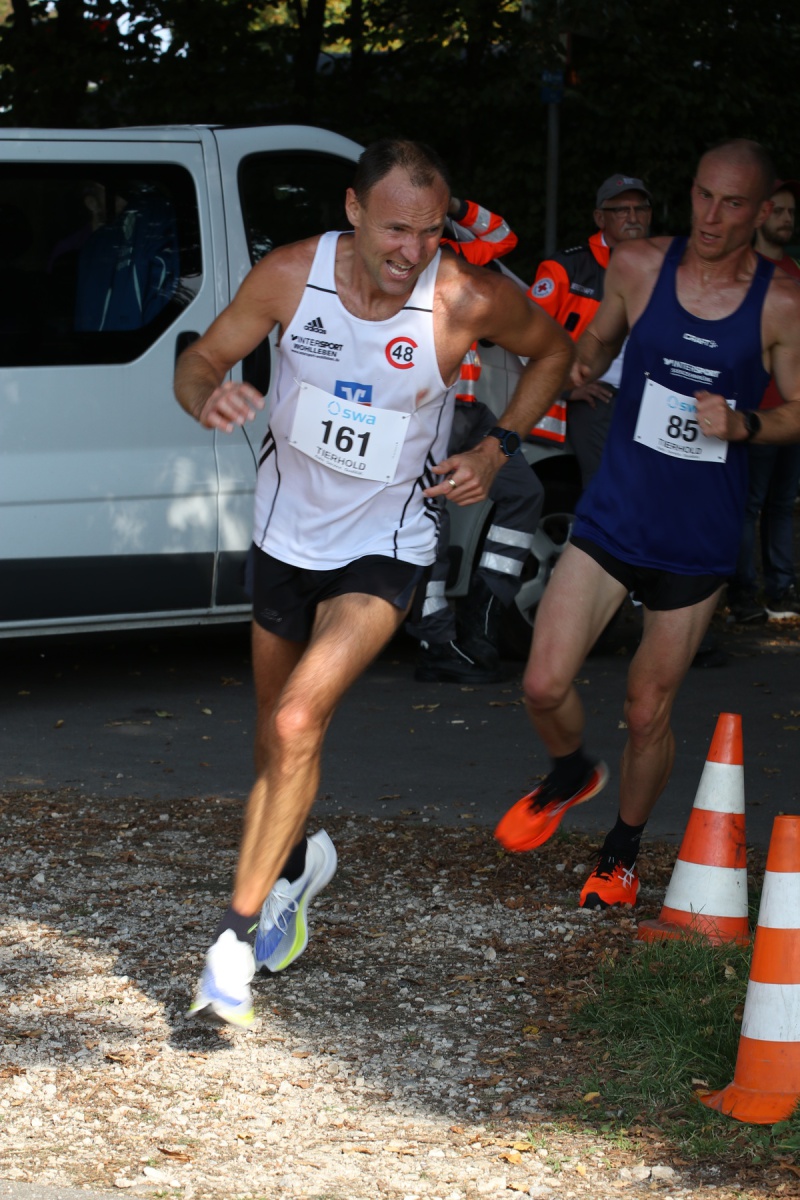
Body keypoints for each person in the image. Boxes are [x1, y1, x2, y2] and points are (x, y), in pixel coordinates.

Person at [174, 137, 573, 1026]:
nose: (412, 250)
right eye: (395, 229)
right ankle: (295, 871)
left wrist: (496, 445)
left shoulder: (463, 297)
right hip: (284, 536)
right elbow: (200, 359)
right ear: (353, 210)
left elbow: (553, 351)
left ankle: (230, 948)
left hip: (383, 543)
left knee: (296, 720)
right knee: (273, 742)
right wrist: (206, 394)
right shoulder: (291, 275)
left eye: (430, 232)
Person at [494, 138, 800, 911]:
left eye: (732, 203)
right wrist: (582, 363)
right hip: (616, 512)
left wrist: (745, 423)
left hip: (697, 535)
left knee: (645, 709)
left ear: (763, 211)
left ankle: (621, 855)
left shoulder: (782, 302)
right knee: (542, 682)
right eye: (702, 195)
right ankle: (572, 770)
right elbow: (599, 338)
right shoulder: (637, 265)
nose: (711, 216)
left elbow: (798, 408)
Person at [408, 195, 544, 684]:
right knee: (430, 522)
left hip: (469, 410)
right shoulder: (398, 260)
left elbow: (502, 237)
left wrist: (455, 206)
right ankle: (436, 643)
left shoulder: (456, 251)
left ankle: (483, 617)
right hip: (421, 410)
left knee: (524, 492)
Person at [528, 174, 652, 488]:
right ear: (600, 218)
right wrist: (567, 388)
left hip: (649, 396)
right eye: (621, 210)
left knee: (649, 488)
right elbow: (523, 336)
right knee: (605, 486)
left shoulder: (664, 268)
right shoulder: (567, 267)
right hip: (597, 398)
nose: (633, 217)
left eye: (640, 208)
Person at [727, 178, 800, 623]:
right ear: (760, 215)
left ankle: (781, 591)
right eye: (779, 211)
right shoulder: (741, 270)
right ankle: (742, 595)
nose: (787, 219)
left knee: (781, 505)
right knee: (748, 505)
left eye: (792, 212)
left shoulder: (796, 272)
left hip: (793, 412)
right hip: (755, 410)